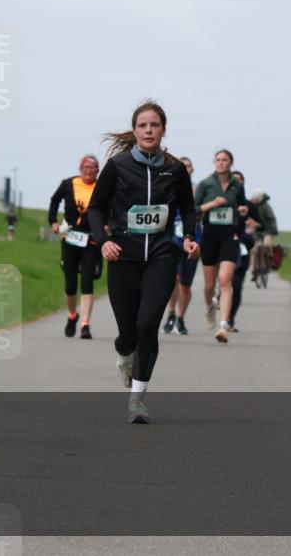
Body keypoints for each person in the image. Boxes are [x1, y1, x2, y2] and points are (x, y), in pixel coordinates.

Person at [88, 101, 197, 424]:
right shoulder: (118, 166)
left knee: (148, 324)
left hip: (162, 255)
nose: (149, 130)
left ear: (164, 130)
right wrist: (104, 240)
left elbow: (188, 210)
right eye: (143, 125)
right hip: (124, 255)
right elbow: (95, 208)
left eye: (155, 125)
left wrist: (190, 237)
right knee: (128, 333)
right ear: (135, 130)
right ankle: (125, 354)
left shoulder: (175, 169)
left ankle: (137, 400)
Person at [194, 150, 249, 343]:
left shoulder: (237, 186)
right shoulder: (206, 184)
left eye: (224, 160)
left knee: (225, 281)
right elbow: (193, 209)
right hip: (209, 234)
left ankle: (223, 326)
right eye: (218, 160)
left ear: (230, 163)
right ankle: (210, 307)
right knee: (210, 285)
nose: (221, 163)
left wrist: (242, 210)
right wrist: (212, 204)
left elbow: (243, 206)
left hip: (230, 235)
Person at [48, 155, 104, 339]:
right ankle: (73, 315)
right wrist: (53, 222)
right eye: (85, 167)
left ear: (98, 170)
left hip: (91, 240)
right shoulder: (68, 184)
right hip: (69, 237)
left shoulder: (102, 186)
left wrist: (107, 225)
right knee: (70, 284)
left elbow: (110, 207)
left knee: (87, 282)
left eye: (93, 167)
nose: (89, 170)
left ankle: (85, 324)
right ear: (80, 168)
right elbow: (54, 200)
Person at [161, 157, 200, 336]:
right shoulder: (166, 186)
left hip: (193, 237)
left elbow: (202, 210)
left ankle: (181, 318)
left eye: (188, 166)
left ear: (192, 169)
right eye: (181, 165)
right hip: (172, 238)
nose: (185, 168)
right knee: (172, 279)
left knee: (185, 284)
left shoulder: (199, 189)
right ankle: (170, 314)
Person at [227, 170, 259, 332]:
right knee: (226, 282)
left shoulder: (249, 205)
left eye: (240, 181)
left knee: (237, 286)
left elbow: (260, 225)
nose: (237, 183)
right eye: (234, 180)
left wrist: (252, 226)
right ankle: (221, 301)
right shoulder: (223, 202)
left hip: (243, 248)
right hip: (225, 246)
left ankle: (230, 319)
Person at [249, 189, 279, 286]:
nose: (254, 200)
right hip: (257, 231)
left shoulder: (266, 207)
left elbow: (272, 219)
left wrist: (271, 230)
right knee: (254, 250)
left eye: (256, 199)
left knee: (266, 244)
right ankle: (254, 271)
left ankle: (270, 257)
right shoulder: (252, 207)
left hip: (268, 230)